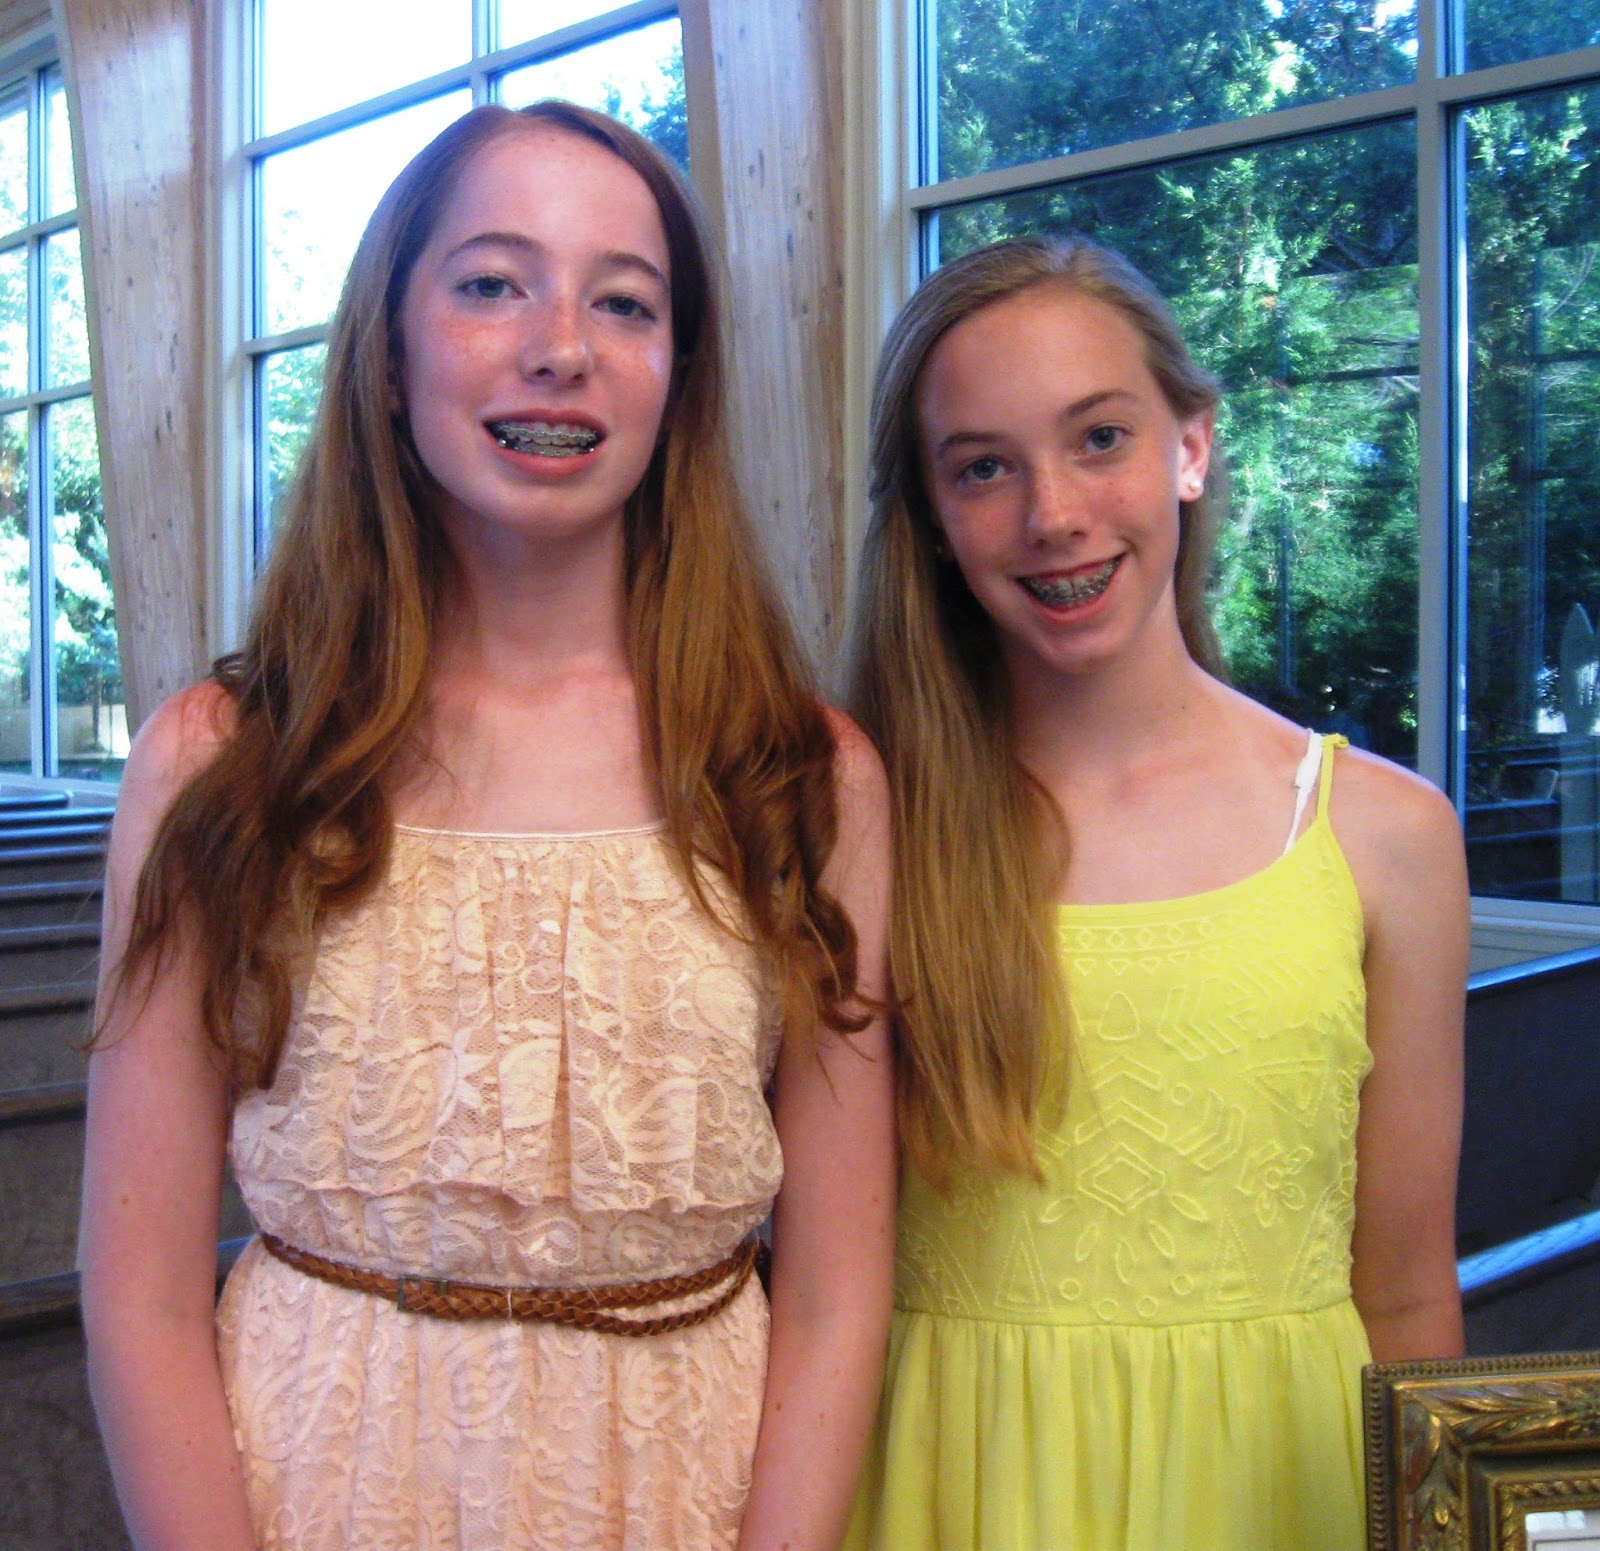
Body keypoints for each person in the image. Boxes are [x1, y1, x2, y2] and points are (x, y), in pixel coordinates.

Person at [80, 101, 895, 1551]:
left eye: (624, 302)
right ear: (391, 360)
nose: (561, 346)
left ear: (677, 379)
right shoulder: (223, 762)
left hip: (684, 1500)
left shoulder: (799, 776)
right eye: (492, 283)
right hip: (312, 1491)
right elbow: (139, 1294)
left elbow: (836, 1295)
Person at [842, 235, 1467, 1551]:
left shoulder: (1384, 836)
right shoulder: (867, 826)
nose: (1054, 514)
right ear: (935, 523)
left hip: (1282, 1494)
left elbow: (1410, 1298)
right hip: (956, 1492)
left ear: (1190, 447)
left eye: (1099, 439)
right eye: (984, 468)